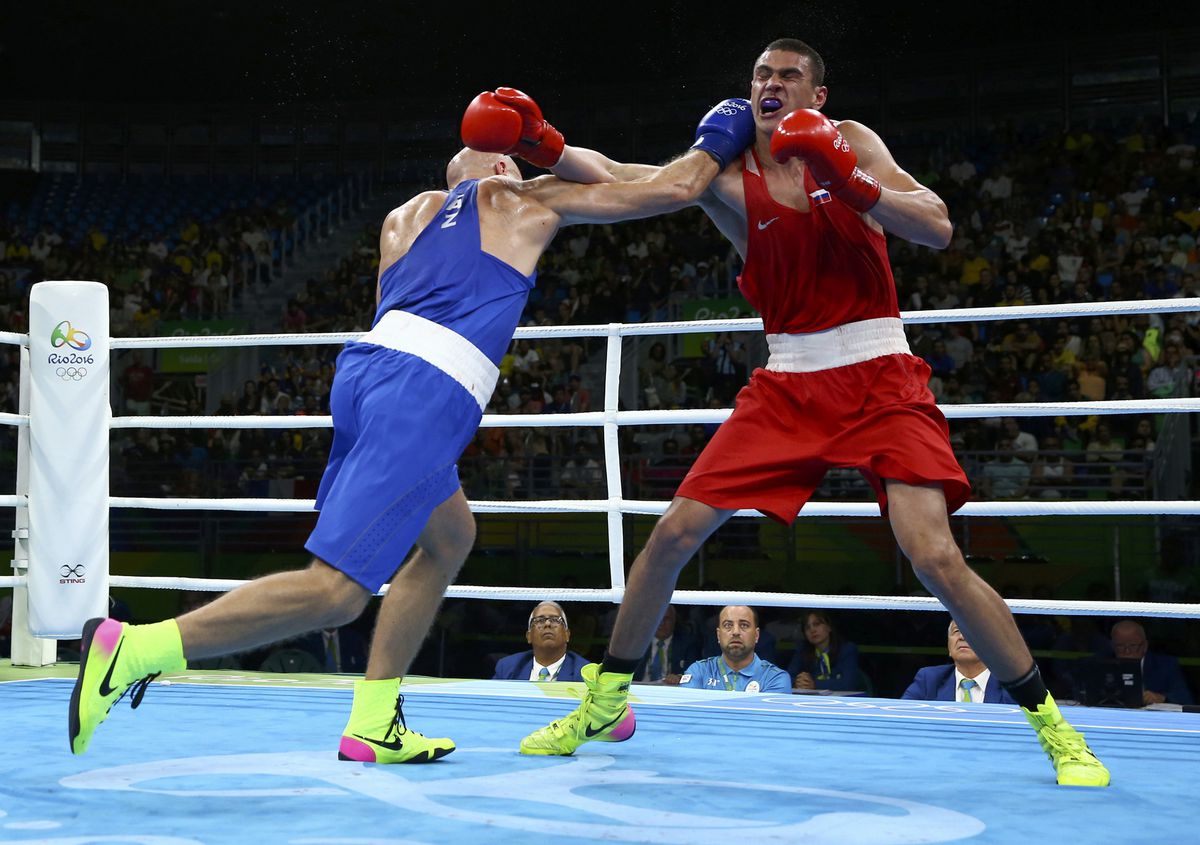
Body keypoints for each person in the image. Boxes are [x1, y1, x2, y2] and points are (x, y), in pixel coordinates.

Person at [68, 87, 756, 763]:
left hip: (367, 376)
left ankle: (373, 722)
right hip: (425, 393)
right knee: (336, 592)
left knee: (451, 534)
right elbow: (666, 187)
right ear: (499, 168)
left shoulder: (405, 218)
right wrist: (717, 136)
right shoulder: (519, 200)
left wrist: (543, 147)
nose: (530, 171)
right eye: (517, 161)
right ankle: (133, 649)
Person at [519, 38, 1110, 788]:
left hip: (881, 374)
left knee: (934, 555)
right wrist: (548, 145)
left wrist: (847, 175)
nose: (771, 83)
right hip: (789, 378)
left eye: (788, 75)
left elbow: (936, 224)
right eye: (761, 74)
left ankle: (1056, 729)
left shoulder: (852, 142)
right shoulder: (728, 174)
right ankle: (605, 700)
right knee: (672, 532)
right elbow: (628, 179)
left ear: (816, 97)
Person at [902, 620, 1018, 704]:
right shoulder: (928, 680)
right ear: (949, 648)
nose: (962, 636)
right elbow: (902, 718)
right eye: (957, 631)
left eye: (972, 631)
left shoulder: (1012, 684)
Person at [678, 606, 790, 692]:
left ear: (756, 635)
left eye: (744, 625)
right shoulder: (699, 671)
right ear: (718, 635)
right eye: (728, 625)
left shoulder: (775, 678)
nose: (735, 632)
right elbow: (688, 717)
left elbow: (767, 721)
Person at [492, 601, 588, 682]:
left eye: (555, 620)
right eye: (539, 620)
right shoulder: (507, 668)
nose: (547, 624)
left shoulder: (585, 673)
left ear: (567, 634)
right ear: (529, 636)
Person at [1108, 619, 1194, 706]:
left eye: (1133, 645)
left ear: (1145, 646)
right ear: (1112, 646)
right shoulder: (1100, 663)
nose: (1127, 651)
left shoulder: (1166, 665)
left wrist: (1162, 698)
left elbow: (1185, 699)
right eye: (1120, 646)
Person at [787, 610, 860, 692]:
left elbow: (848, 684)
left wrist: (814, 684)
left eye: (817, 624)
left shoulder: (847, 649)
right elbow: (786, 678)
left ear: (829, 627)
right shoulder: (802, 650)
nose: (812, 630)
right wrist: (797, 682)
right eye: (807, 627)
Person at [634, 604, 700, 684]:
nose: (661, 623)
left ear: (674, 620)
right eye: (658, 619)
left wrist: (679, 677)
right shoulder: (637, 643)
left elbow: (694, 674)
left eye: (666, 619)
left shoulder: (688, 644)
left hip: (671, 691)